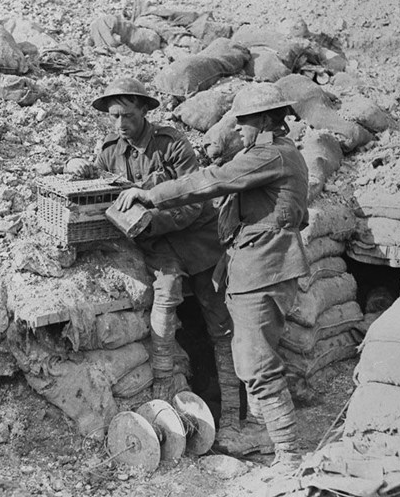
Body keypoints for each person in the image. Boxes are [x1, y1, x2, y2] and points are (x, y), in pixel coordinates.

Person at [114, 82, 310, 469]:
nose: (238, 130)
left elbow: (211, 180)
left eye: (243, 123)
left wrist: (150, 195)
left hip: (265, 269)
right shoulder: (272, 153)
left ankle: (289, 454)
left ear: (264, 120)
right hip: (252, 268)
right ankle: (256, 431)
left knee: (257, 364)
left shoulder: (270, 154)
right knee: (248, 357)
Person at [66, 77, 237, 412]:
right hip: (158, 246)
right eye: (114, 116)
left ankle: (231, 411)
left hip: (198, 241)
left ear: (144, 110)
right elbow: (96, 187)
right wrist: (73, 167)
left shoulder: (171, 144)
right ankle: (163, 395)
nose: (120, 124)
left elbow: (196, 199)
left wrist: (149, 220)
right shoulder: (110, 150)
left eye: (127, 116)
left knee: (221, 324)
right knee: (167, 296)